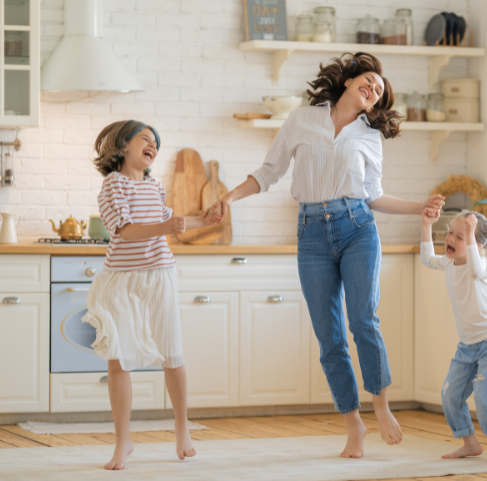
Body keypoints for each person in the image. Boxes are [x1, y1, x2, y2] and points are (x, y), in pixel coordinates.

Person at [208, 52, 444, 458]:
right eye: (369, 80)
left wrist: (418, 206)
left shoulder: (369, 136)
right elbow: (269, 172)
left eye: (380, 90)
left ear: (375, 103)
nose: (373, 88)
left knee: (364, 321)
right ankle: (354, 425)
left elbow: (373, 196)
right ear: (351, 80)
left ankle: (381, 406)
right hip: (311, 234)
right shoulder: (302, 119)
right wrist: (228, 197)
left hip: (357, 229)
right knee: (329, 337)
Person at [84, 120, 211, 470]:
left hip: (160, 275)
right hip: (121, 280)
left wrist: (206, 219)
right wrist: (167, 226)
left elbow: (173, 220)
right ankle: (123, 442)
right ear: (124, 145)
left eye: (156, 141)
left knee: (173, 353)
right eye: (145, 138)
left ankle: (183, 430)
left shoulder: (154, 187)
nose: (153, 144)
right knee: (118, 358)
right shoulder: (113, 185)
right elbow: (123, 231)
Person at [420, 209, 487, 464]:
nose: (450, 239)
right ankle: (470, 443)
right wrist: (426, 225)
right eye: (450, 232)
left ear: (477, 243)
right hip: (467, 347)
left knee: (485, 400)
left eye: (460, 237)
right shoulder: (449, 263)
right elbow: (427, 258)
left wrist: (472, 233)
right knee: (450, 395)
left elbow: (475, 269)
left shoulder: (481, 266)